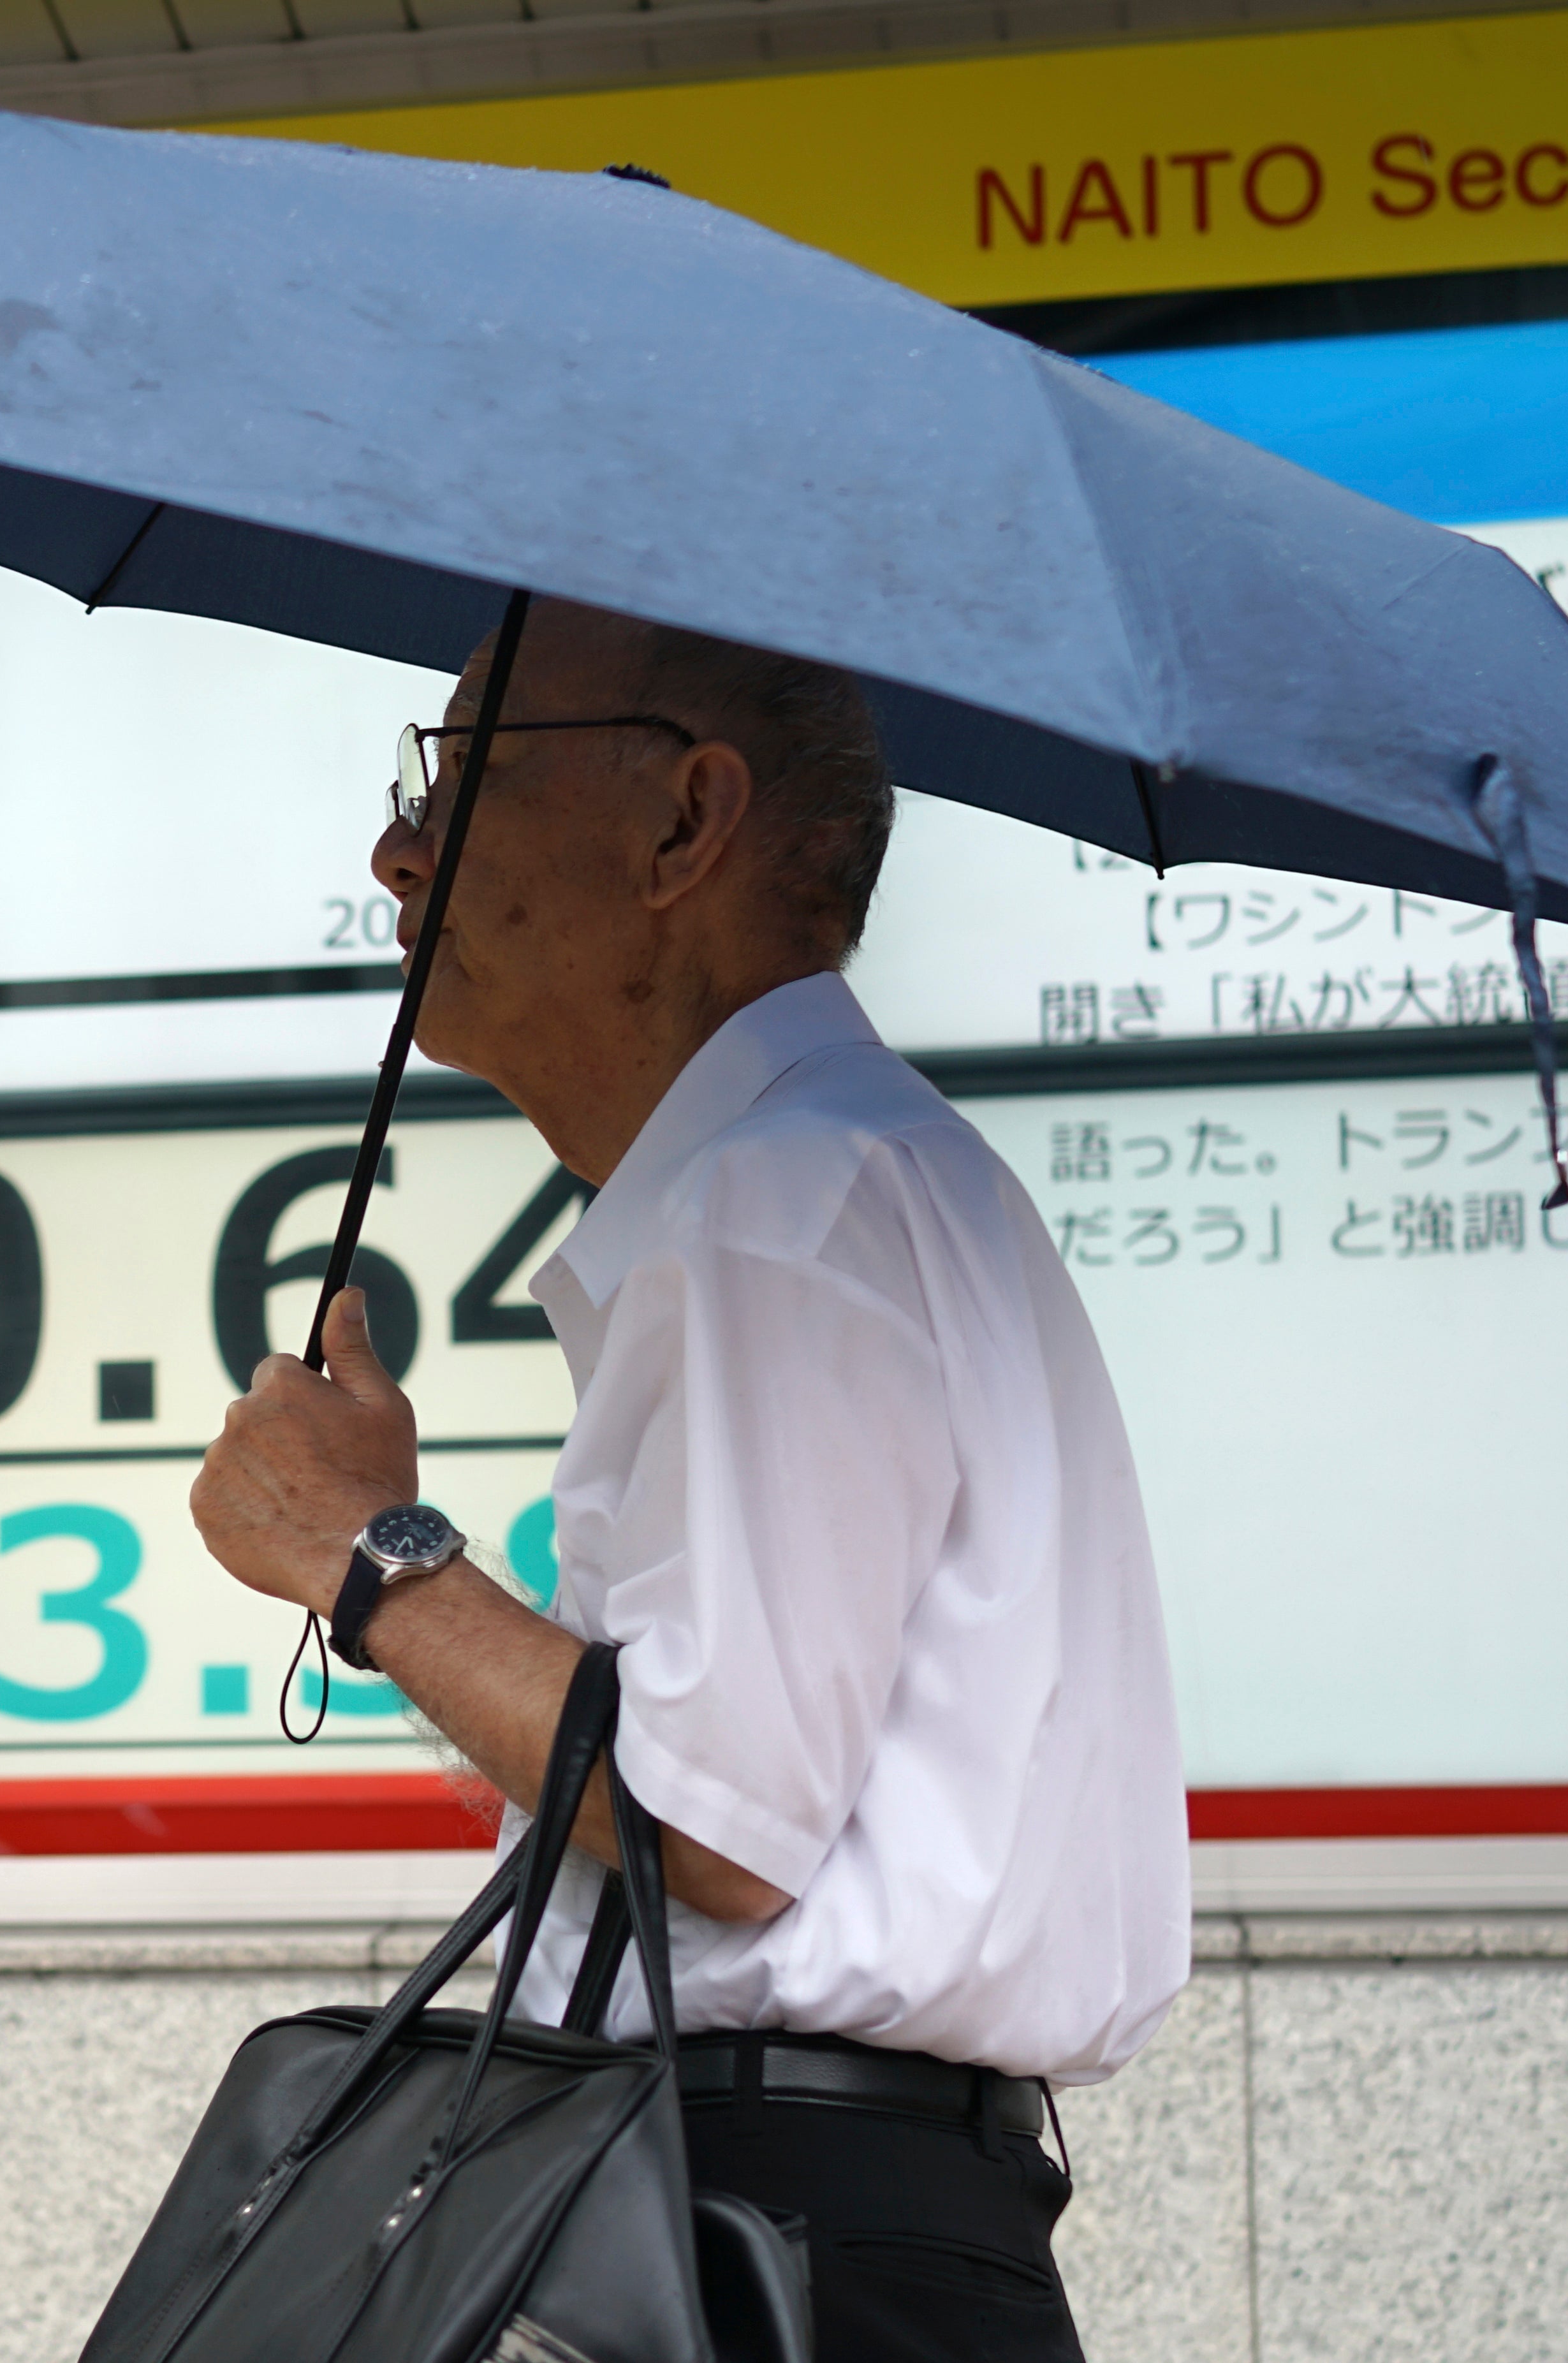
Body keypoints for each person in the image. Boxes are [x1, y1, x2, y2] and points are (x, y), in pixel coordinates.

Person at [187, 598, 1189, 2363]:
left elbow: (705, 1819)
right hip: (826, 2215)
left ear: (682, 822)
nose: (395, 844)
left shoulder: (782, 1199)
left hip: (768, 2233)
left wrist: (372, 1555)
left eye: (462, 769)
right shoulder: (846, 1173)